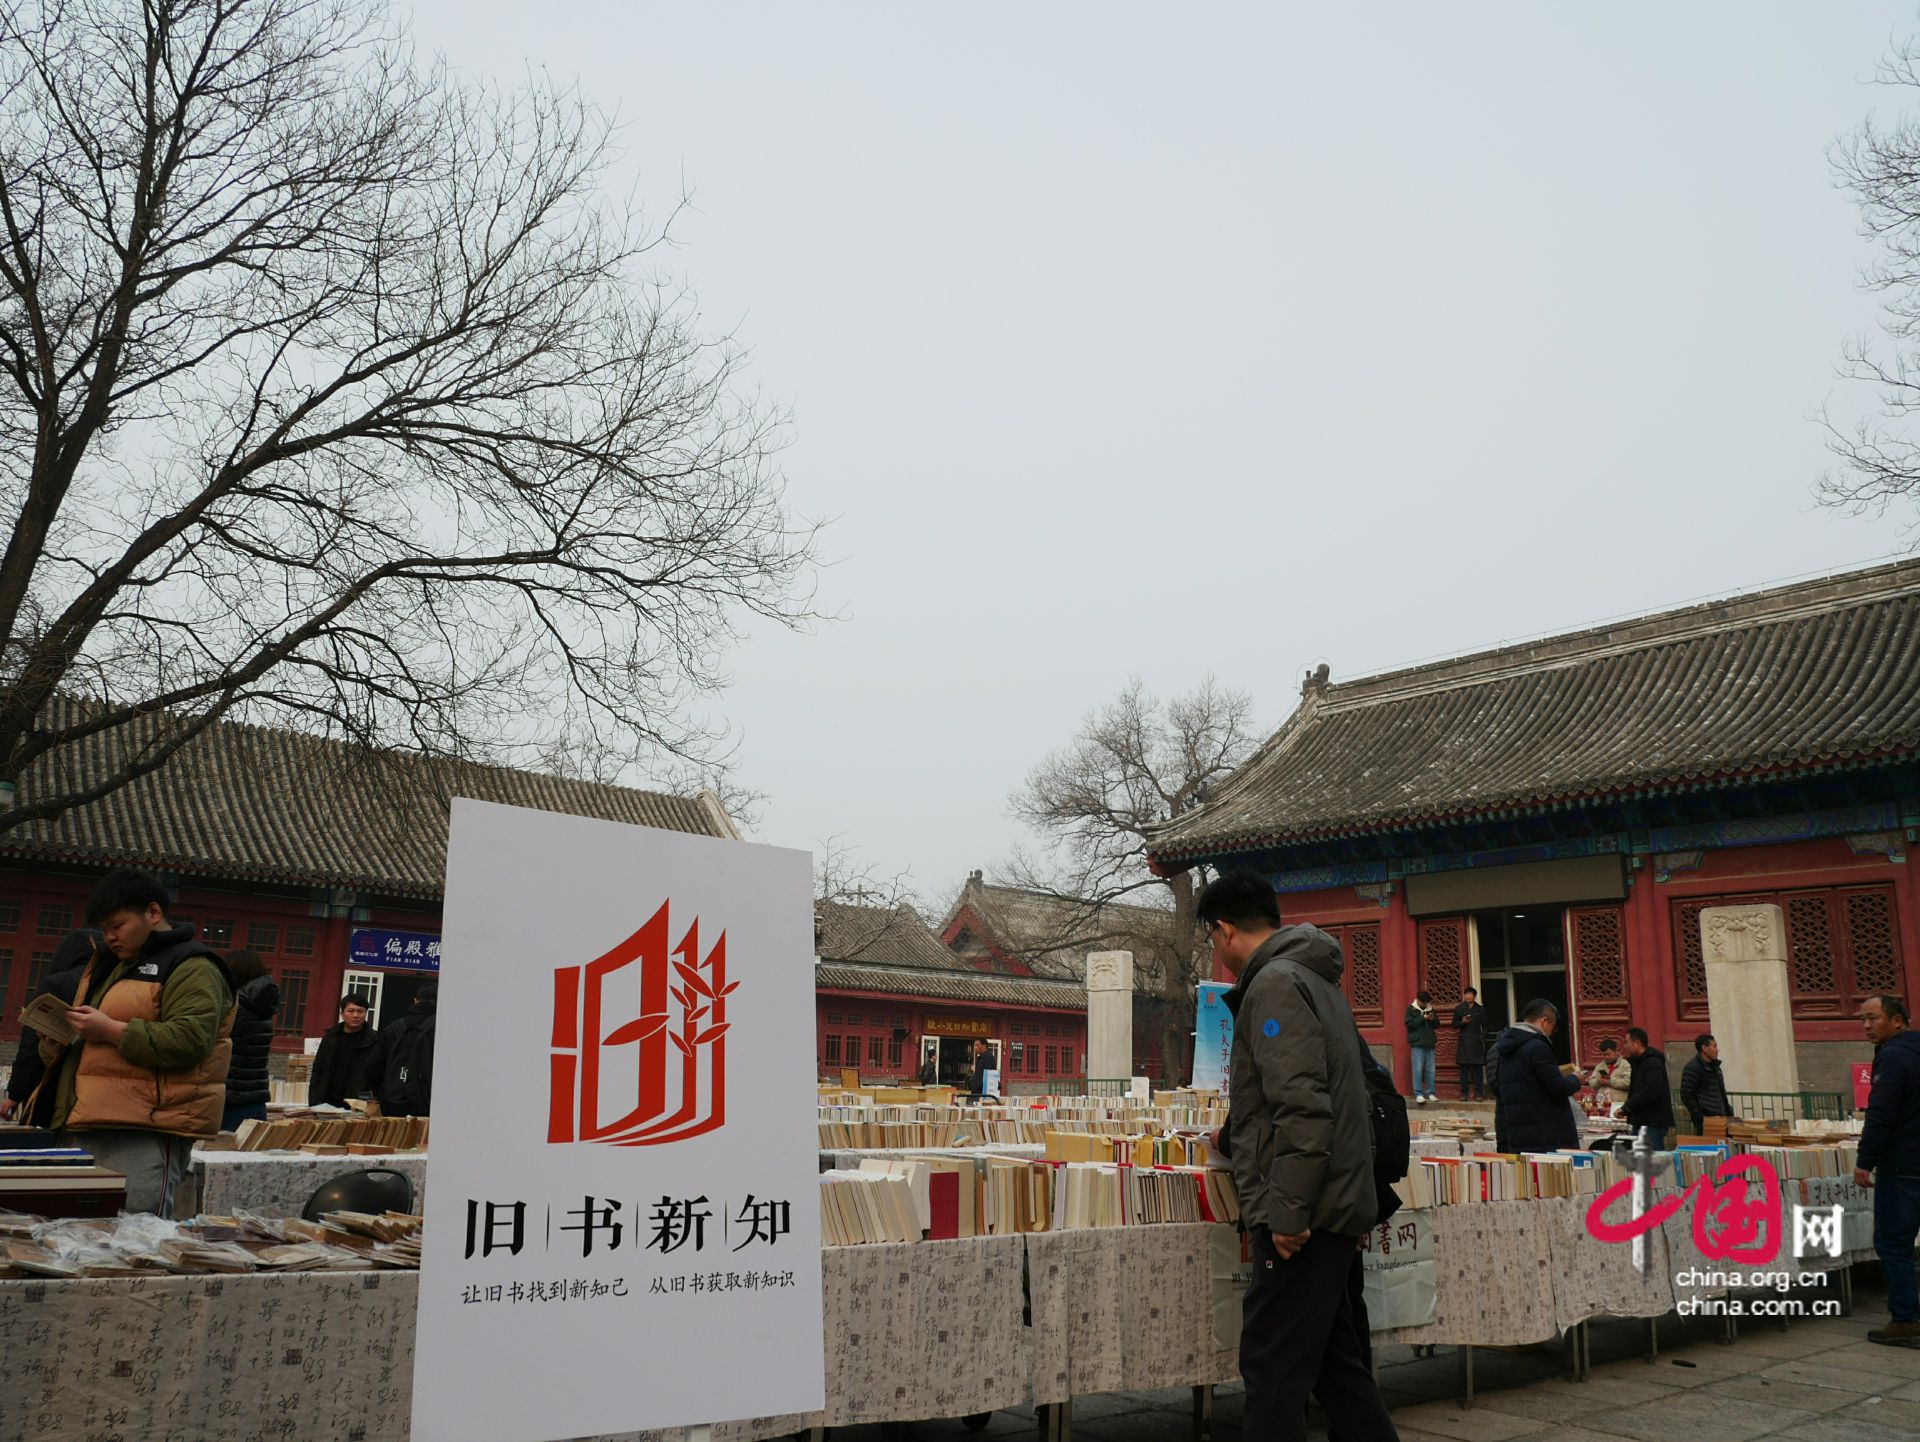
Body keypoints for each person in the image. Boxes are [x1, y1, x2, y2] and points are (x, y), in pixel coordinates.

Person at [1199, 869, 1397, 1442]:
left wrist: (1287, 1212)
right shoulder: (1314, 977)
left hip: (1306, 1215)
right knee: (1335, 1365)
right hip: (1334, 1203)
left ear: (1225, 929)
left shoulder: (1276, 985)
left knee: (1273, 1368)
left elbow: (1301, 1107)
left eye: (1212, 937)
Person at [40, 868, 235, 1215]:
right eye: (104, 929)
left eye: (117, 926)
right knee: (74, 1233)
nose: (110, 937)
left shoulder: (194, 966)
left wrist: (110, 1030)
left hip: (146, 1130)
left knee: (132, 1232)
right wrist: (59, 1048)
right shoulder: (112, 965)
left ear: (153, 912)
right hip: (87, 1119)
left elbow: (191, 1040)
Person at [1855, 994, 1919, 1347]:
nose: (1866, 1026)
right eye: (1862, 1019)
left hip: (1904, 1164)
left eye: (1873, 1018)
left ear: (1897, 1021)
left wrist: (1865, 1160)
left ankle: (1906, 1319)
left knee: (1894, 1242)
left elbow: (1881, 1113)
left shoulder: (1893, 1057)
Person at [1, 928, 99, 1126]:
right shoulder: (111, 983)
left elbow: (32, 1043)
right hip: (95, 1089)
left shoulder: (59, 983)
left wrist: (15, 1093)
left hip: (52, 1082)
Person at [1492, 998, 1582, 1153]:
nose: (1551, 1033)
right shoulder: (1538, 1047)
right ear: (1544, 1021)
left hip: (1518, 1131)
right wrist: (1575, 1079)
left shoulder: (1505, 1049)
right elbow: (1558, 1087)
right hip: (1545, 1132)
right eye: (1552, 1027)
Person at [220, 950, 280, 1133]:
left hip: (233, 1093)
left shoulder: (239, 1006)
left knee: (224, 1146)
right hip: (254, 1093)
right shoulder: (260, 1003)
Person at [377, 982, 438, 1118]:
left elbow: (373, 1068)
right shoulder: (443, 1029)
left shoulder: (393, 1029)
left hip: (393, 1104)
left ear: (415, 1000)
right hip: (430, 1106)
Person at [311, 994, 383, 1107]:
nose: (355, 1015)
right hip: (327, 1102)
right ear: (342, 1013)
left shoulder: (374, 1040)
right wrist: (314, 1101)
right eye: (351, 1011)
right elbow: (317, 1070)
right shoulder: (330, 1038)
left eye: (360, 1011)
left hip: (359, 1103)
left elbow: (380, 1074)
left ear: (366, 1013)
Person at [1620, 1027, 1674, 1149]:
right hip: (1640, 1119)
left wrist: (1628, 1106)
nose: (1625, 1046)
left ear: (1637, 1043)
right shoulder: (1637, 1062)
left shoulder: (1652, 1063)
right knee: (1639, 1157)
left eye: (1627, 1042)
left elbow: (1651, 1091)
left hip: (1652, 1122)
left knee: (1651, 1157)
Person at [1680, 1033, 1735, 1137]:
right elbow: (1686, 1096)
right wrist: (1702, 1117)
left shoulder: (1715, 1067)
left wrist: (1729, 1112)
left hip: (1723, 1120)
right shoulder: (1693, 1068)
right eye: (1714, 1046)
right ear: (1704, 1048)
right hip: (1707, 1123)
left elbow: (1721, 1093)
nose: (1717, 1050)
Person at [1451, 986, 1488, 1100]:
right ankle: (1464, 1093)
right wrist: (1462, 1022)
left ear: (1474, 996)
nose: (1468, 996)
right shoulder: (1459, 1009)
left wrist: (1481, 1037)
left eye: (1470, 994)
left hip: (1476, 1042)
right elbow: (1454, 1024)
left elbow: (1486, 1025)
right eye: (1466, 994)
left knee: (1478, 1070)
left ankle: (1479, 1093)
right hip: (1464, 1042)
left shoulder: (1480, 1009)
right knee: (1464, 1070)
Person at [1404, 991, 1438, 1104]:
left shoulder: (1431, 1009)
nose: (1424, 1004)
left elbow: (1437, 1025)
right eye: (1423, 1002)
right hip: (1417, 1043)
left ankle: (1431, 1093)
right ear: (1418, 1000)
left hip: (1430, 1042)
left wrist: (1432, 1019)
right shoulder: (1411, 1009)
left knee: (1431, 1070)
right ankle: (1418, 1093)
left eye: (1426, 1002)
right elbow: (1410, 1025)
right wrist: (1423, 1018)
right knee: (1418, 1069)